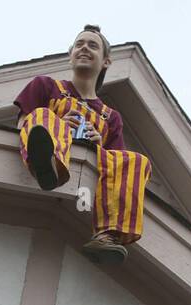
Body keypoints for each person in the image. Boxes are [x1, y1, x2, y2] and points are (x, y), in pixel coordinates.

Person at [14, 25, 153, 264]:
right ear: (70, 55)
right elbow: (22, 123)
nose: (84, 48)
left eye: (92, 45)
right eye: (79, 44)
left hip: (90, 166)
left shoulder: (111, 117)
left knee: (137, 160)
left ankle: (108, 234)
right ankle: (47, 163)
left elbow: (116, 165)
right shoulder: (47, 86)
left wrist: (99, 146)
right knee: (41, 116)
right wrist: (57, 123)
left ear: (106, 61)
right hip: (51, 147)